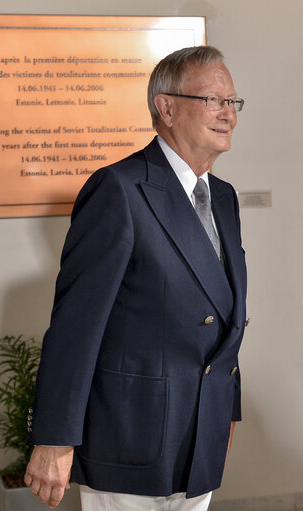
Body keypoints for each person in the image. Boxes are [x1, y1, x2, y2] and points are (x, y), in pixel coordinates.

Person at [25, 45, 247, 511]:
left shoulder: (223, 197)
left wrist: (226, 412)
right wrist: (54, 440)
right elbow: (75, 328)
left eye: (232, 102)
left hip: (200, 431)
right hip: (132, 435)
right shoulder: (119, 189)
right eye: (213, 100)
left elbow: (226, 316)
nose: (227, 113)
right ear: (166, 107)